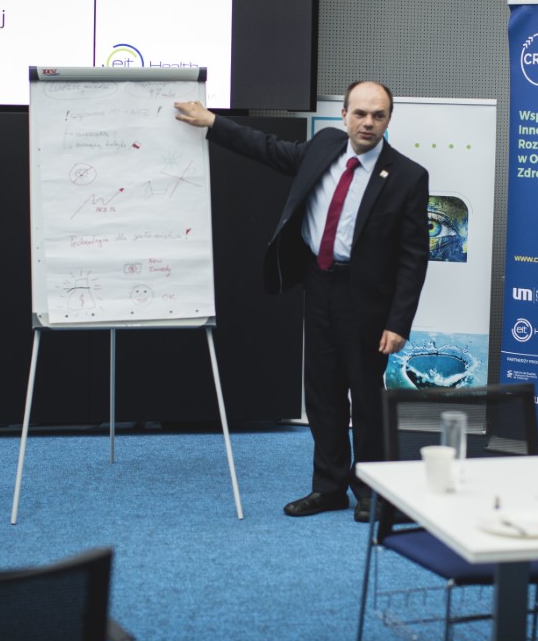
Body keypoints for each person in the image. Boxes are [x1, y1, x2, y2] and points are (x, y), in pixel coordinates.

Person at [175, 81, 429, 523]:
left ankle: (372, 491)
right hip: (319, 285)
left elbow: (413, 257)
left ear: (389, 119)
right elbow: (267, 148)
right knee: (323, 395)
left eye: (378, 115)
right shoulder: (324, 146)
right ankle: (328, 487)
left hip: (367, 299)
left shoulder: (407, 176)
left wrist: (399, 322)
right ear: (344, 115)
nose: (368, 123)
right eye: (360, 113)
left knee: (366, 398)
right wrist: (213, 122)